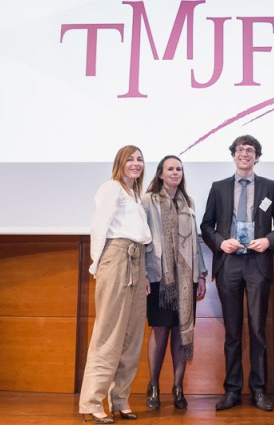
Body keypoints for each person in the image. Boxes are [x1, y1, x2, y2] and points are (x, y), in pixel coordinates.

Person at [200, 134, 274, 412]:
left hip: (257, 264)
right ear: (233, 155)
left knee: (258, 330)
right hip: (229, 264)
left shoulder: (270, 187)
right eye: (240, 149)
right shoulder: (218, 188)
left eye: (250, 150)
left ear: (257, 157)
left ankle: (259, 390)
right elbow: (206, 226)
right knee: (233, 332)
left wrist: (269, 241)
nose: (245, 154)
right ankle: (232, 390)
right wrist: (220, 243)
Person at [79, 145, 152, 424]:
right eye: (130, 159)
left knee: (131, 338)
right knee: (108, 334)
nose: (136, 163)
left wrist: (144, 275)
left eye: (140, 159)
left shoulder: (136, 195)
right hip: (117, 257)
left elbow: (140, 235)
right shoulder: (111, 188)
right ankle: (92, 402)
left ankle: (120, 399)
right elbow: (99, 228)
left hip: (137, 260)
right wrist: (97, 265)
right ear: (119, 163)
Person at [141, 155, 208, 410]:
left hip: (186, 278)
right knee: (160, 329)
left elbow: (195, 241)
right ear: (160, 174)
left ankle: (178, 387)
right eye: (170, 169)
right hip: (159, 276)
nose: (175, 172)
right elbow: (142, 239)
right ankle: (153, 385)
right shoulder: (148, 201)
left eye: (179, 169)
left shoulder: (187, 202)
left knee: (182, 330)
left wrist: (202, 274)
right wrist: (144, 274)